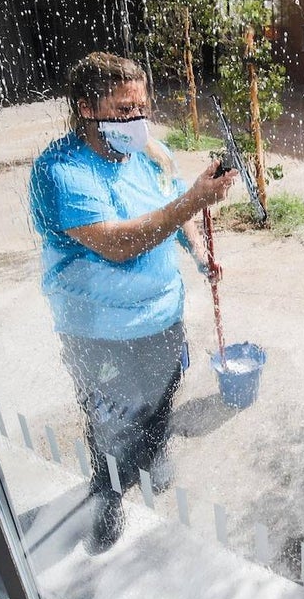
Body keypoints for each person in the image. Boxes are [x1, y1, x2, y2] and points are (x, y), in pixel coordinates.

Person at [29, 51, 237, 553]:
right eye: (124, 111)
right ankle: (108, 495)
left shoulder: (150, 152)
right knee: (109, 418)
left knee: (163, 394)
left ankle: (155, 451)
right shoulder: (62, 172)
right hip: (97, 330)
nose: (137, 121)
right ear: (85, 107)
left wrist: (197, 249)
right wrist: (193, 200)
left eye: (142, 108)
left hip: (161, 313)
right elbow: (117, 243)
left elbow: (166, 207)